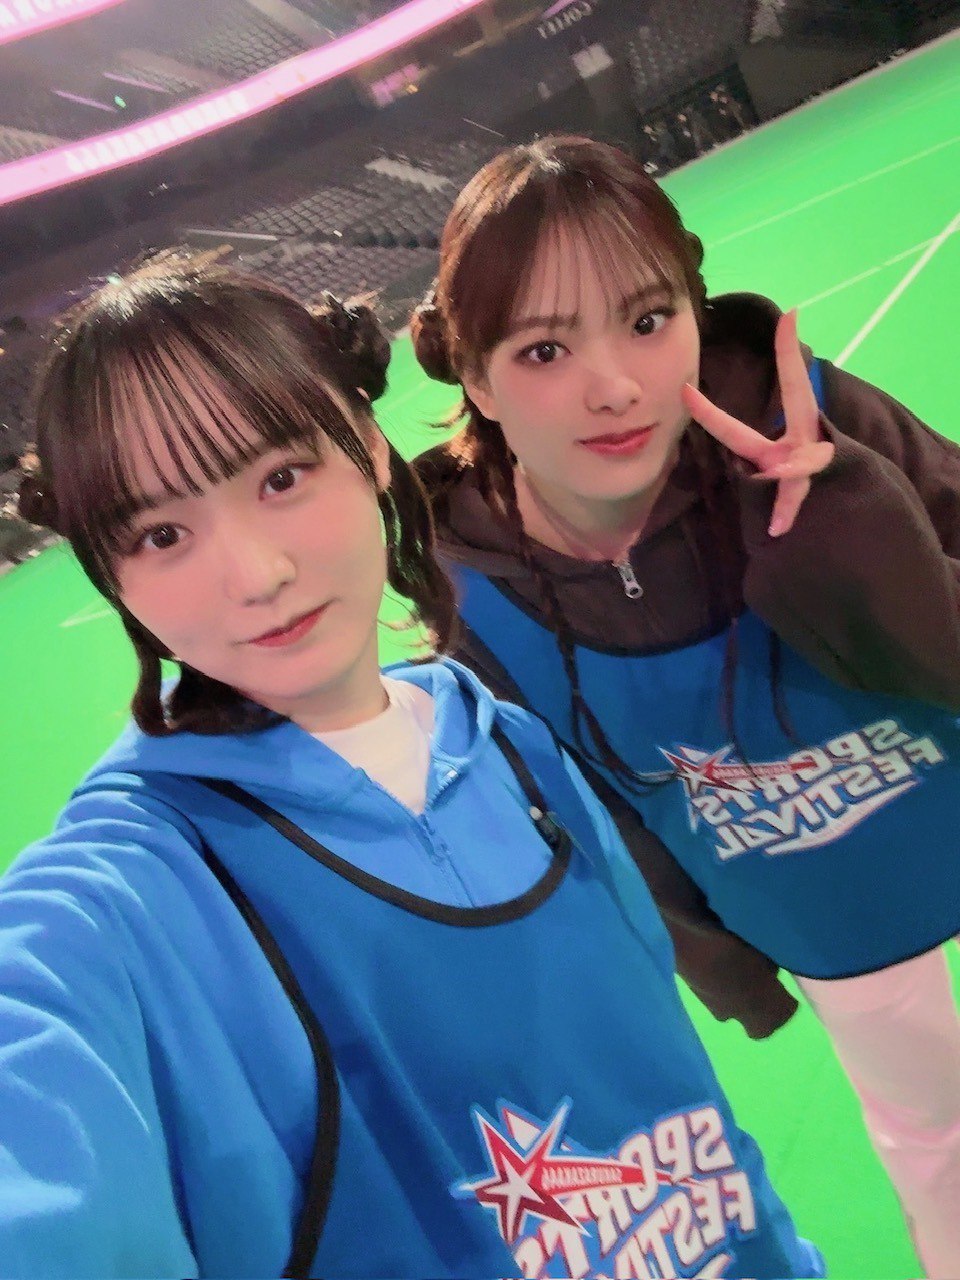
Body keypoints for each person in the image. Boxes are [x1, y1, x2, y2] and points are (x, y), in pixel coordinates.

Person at [0, 256, 822, 1280]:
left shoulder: (509, 744)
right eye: (162, 534)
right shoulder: (136, 888)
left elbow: (683, 1103)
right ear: (112, 578)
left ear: (369, 447)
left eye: (282, 477)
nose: (256, 574)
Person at [410, 134, 960, 1277]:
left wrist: (849, 524)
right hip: (823, 897)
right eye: (546, 347)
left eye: (649, 319)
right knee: (937, 1138)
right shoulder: (468, 582)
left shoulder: (803, 415)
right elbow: (584, 809)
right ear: (476, 376)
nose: (615, 385)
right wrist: (719, 958)